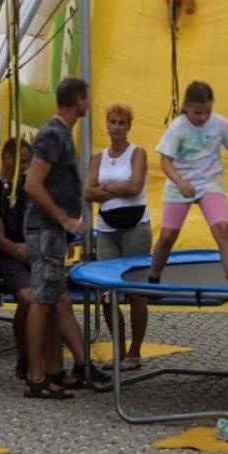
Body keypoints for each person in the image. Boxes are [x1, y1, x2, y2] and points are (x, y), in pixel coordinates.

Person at [22, 76, 111, 399]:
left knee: (58, 301)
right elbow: (32, 184)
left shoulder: (60, 134)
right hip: (46, 230)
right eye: (87, 98)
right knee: (43, 300)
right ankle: (35, 375)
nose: (90, 103)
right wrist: (64, 218)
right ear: (78, 100)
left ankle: (69, 366)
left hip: (53, 231)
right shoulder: (53, 135)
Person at [147, 81, 228, 288]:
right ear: (186, 107)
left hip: (209, 183)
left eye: (207, 112)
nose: (203, 117)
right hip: (180, 182)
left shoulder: (220, 123)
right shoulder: (178, 128)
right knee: (168, 236)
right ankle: (153, 278)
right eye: (197, 113)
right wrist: (180, 182)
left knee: (222, 229)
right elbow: (165, 161)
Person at [84, 102, 152, 371]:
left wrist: (106, 188)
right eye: (112, 122)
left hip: (135, 225)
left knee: (136, 292)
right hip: (107, 227)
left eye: (121, 123)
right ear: (107, 124)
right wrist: (116, 190)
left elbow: (136, 186)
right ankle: (119, 348)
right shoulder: (98, 158)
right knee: (106, 293)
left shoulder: (138, 153)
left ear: (128, 126)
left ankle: (135, 350)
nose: (116, 128)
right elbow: (88, 192)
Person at [0, 138, 41, 382]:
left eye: (29, 162)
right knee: (28, 297)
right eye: (23, 161)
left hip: (28, 250)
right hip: (6, 255)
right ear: (8, 159)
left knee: (55, 297)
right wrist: (19, 250)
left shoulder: (27, 188)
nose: (26, 167)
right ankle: (25, 355)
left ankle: (47, 357)